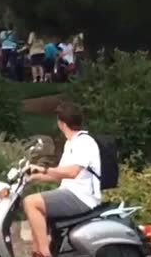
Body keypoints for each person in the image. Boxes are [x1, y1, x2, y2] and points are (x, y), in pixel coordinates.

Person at [23, 102, 101, 257]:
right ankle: (37, 252)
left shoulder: (84, 142)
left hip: (82, 198)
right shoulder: (71, 143)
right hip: (70, 193)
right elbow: (59, 173)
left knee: (31, 202)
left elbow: (72, 172)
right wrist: (33, 176)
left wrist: (43, 169)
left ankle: (45, 253)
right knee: (35, 211)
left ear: (62, 123)